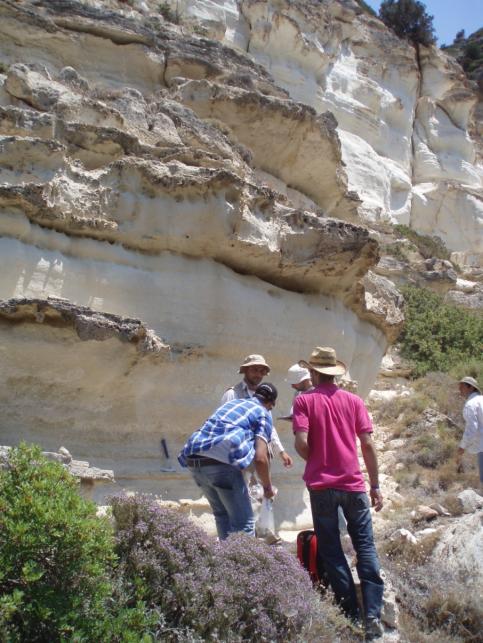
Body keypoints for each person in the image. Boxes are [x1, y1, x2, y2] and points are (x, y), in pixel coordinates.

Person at [292, 346, 384, 640]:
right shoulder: (354, 401)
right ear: (335, 372)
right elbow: (367, 445)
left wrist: (318, 462)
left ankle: (350, 615)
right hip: (354, 485)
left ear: (313, 372)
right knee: (365, 547)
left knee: (332, 550)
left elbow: (300, 443)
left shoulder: (304, 401)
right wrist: (376, 484)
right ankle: (372, 615)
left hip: (321, 487)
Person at [179, 383, 278, 540]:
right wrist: (267, 487)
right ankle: (244, 564)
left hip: (193, 459)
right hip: (220, 464)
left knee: (222, 515)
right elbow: (261, 458)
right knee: (244, 524)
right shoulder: (263, 413)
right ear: (270, 403)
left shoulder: (233, 403)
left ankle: (225, 563)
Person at [221, 354, 293, 467]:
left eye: (262, 371)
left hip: (260, 458)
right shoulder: (233, 394)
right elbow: (225, 427)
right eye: (254, 370)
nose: (258, 374)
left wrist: (281, 452)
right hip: (240, 458)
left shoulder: (265, 396)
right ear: (245, 370)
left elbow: (268, 427)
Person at [456, 376, 483, 490]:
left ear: (470, 387)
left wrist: (462, 446)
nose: (459, 390)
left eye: (462, 387)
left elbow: (472, 428)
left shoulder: (470, 404)